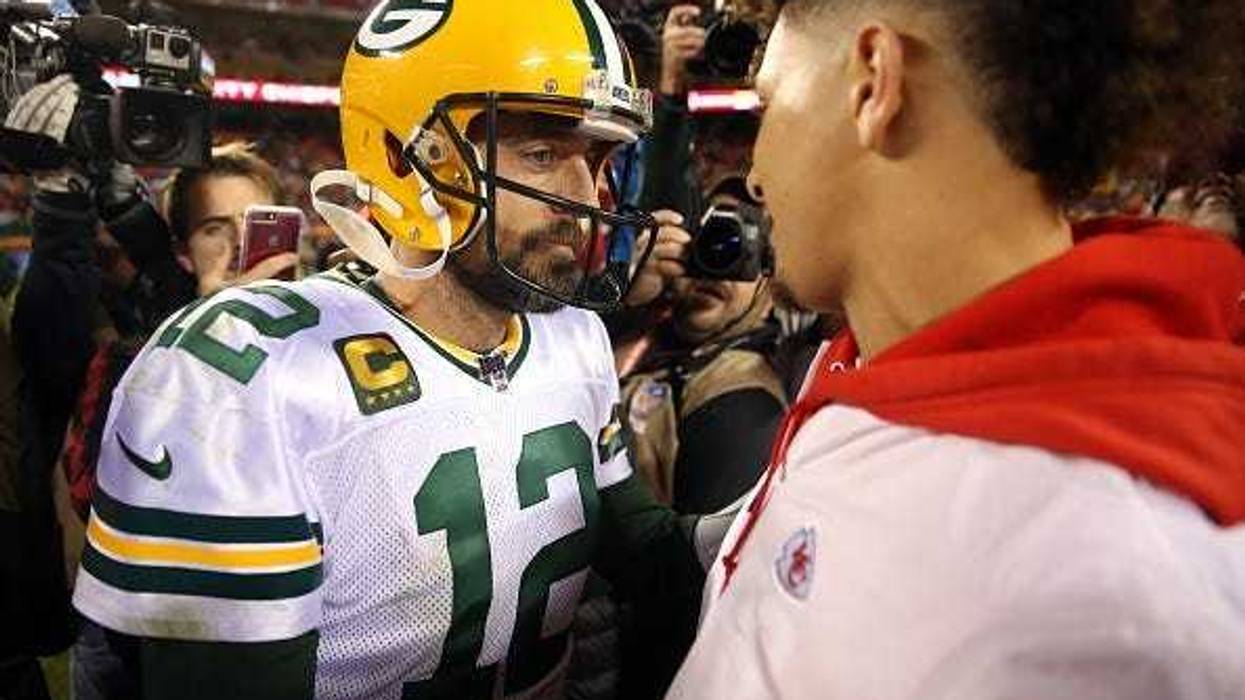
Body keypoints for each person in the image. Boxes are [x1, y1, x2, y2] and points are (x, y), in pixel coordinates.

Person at [71, 1, 717, 698]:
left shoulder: (572, 333)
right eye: (541, 153)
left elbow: (646, 549)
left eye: (597, 157)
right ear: (399, 157)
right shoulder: (247, 372)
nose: (585, 195)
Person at [669, 0, 1245, 698]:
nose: (755, 175)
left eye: (769, 105)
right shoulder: (885, 357)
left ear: (873, 84)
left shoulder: (1123, 580)